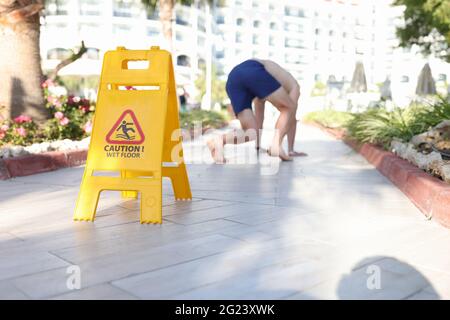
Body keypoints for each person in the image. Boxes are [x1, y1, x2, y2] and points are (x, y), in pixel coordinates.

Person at [207, 59, 306, 163]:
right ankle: (276, 145)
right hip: (254, 69)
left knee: (251, 132)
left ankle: (218, 141)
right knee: (289, 107)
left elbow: (260, 114)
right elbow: (291, 116)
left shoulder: (266, 85)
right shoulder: (294, 86)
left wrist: (258, 145)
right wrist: (291, 150)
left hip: (234, 77)